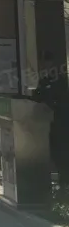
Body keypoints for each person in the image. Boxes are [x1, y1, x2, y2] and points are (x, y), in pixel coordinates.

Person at [31, 52, 69, 187]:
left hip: (62, 121)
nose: (46, 65)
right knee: (55, 152)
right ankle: (62, 181)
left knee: (62, 151)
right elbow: (37, 96)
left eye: (48, 61)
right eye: (44, 62)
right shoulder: (44, 80)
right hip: (50, 123)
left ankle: (64, 181)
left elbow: (61, 98)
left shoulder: (61, 80)